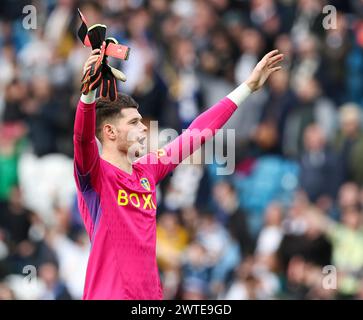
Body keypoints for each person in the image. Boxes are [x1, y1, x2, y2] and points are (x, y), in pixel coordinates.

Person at [73, 47, 283, 299]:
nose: (143, 129)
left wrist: (248, 86)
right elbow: (82, 138)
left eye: (141, 121)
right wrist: (88, 92)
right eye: (133, 123)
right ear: (109, 132)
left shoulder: (147, 170)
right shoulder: (95, 175)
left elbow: (196, 133)